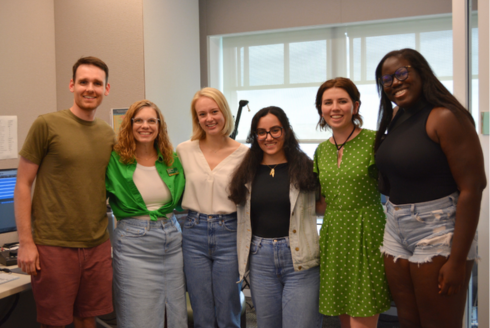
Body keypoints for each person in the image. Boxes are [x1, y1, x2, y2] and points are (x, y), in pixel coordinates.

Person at [374, 48, 486, 327]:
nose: (395, 83)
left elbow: (473, 187)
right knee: (408, 320)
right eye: (387, 79)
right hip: (395, 227)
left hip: (438, 230)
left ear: (421, 72)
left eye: (402, 73)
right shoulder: (397, 115)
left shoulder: (445, 117)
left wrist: (458, 260)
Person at [14, 56, 114, 328]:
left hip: (97, 243)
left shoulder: (109, 135)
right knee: (54, 322)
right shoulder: (46, 125)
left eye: (96, 83)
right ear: (72, 85)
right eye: (83, 82)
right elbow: (23, 183)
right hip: (53, 245)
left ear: (106, 89)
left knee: (87, 317)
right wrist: (26, 242)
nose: (89, 88)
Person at [229, 106, 323, 328]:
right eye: (261, 132)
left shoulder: (306, 167)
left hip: (299, 257)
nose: (268, 137)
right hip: (261, 258)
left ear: (286, 131)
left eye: (275, 130)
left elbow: (323, 206)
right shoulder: (246, 171)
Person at [313, 77, 391, 328]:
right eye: (328, 102)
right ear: (321, 109)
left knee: (362, 318)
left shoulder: (375, 141)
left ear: (355, 106)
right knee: (344, 319)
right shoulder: (321, 151)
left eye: (342, 101)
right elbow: (322, 201)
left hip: (366, 232)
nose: (335, 108)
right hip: (334, 234)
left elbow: (398, 185)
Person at [105, 100, 186, 328]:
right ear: (129, 125)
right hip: (134, 245)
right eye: (138, 120)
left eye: (152, 120)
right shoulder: (114, 160)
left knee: (176, 314)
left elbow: (185, 198)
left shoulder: (171, 158)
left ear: (159, 126)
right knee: (137, 316)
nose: (145, 125)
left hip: (171, 240)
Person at [176, 87, 248, 328]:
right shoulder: (184, 150)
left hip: (229, 232)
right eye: (202, 114)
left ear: (224, 112)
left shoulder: (244, 154)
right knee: (201, 310)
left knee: (228, 310)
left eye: (214, 111)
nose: (209, 119)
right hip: (193, 231)